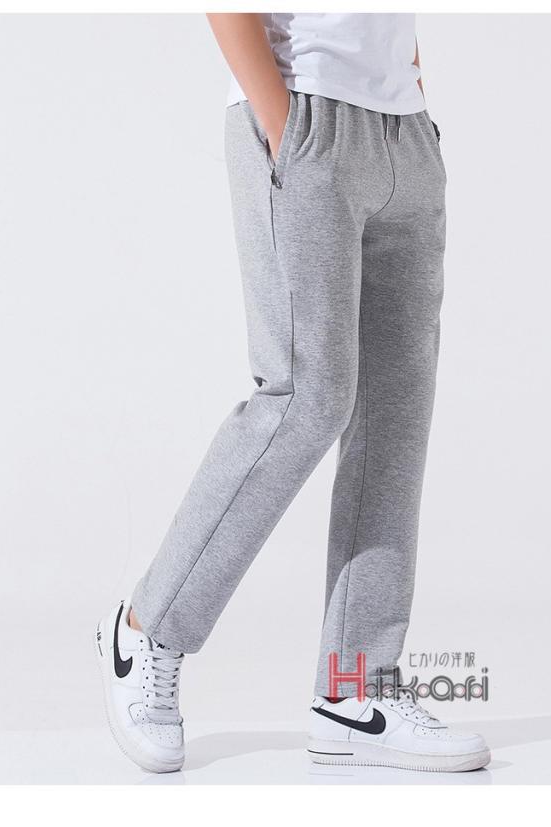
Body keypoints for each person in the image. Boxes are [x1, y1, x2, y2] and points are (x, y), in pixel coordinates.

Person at [95, 12, 490, 775]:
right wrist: (284, 127)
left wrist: (413, 98)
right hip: (303, 109)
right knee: (306, 396)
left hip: (404, 132)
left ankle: (355, 687)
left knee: (395, 412)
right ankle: (146, 628)